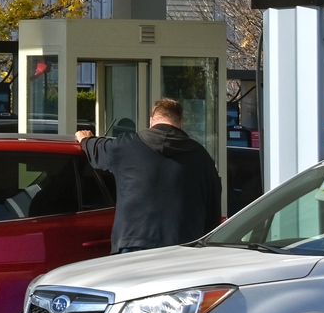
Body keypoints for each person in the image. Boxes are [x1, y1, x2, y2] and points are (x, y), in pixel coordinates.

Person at [74, 97, 221, 253]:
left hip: (133, 242)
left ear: (151, 121)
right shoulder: (201, 157)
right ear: (181, 123)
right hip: (182, 246)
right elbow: (213, 208)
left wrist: (86, 140)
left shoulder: (127, 146)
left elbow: (99, 150)